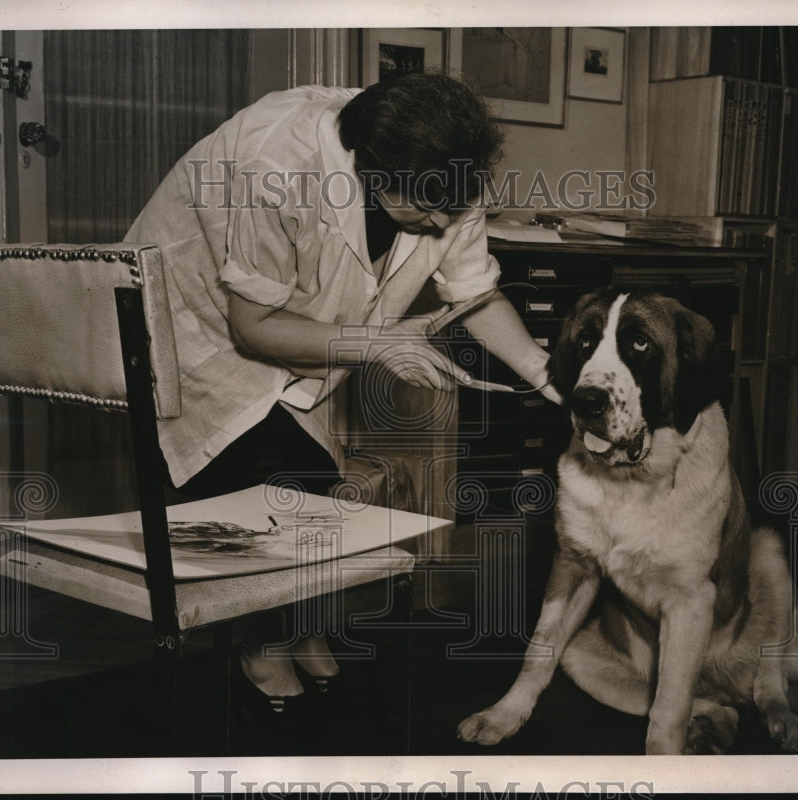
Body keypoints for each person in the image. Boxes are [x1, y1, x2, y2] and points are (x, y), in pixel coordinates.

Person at [124, 72, 559, 717]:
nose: (444, 222)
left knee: (315, 478)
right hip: (193, 328)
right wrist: (380, 345)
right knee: (272, 473)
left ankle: (297, 625)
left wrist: (543, 369)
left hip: (293, 327)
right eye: (428, 207)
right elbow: (254, 326)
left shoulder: (442, 171)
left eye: (454, 205)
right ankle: (263, 639)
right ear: (374, 173)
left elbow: (471, 292)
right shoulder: (276, 163)